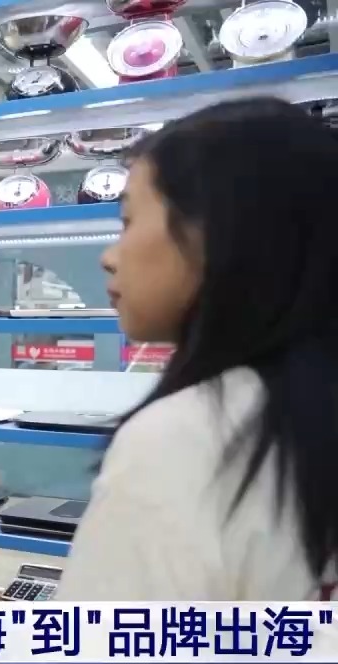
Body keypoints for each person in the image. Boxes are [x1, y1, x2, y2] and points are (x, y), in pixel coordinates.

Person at [58, 98, 338, 600]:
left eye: (128, 221)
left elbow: (107, 635)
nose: (109, 257)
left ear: (222, 231)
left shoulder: (181, 440)